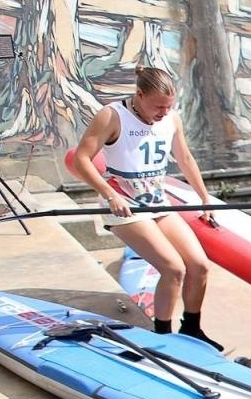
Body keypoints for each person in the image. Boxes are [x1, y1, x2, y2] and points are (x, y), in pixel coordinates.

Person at [70, 66, 223, 351]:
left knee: (199, 265)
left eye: (169, 106)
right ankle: (161, 337)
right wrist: (109, 195)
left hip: (156, 202)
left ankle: (192, 328)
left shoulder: (171, 119)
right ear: (139, 95)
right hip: (124, 205)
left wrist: (204, 198)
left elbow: (185, 159)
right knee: (173, 268)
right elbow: (81, 159)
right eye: (158, 106)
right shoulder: (112, 116)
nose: (164, 112)